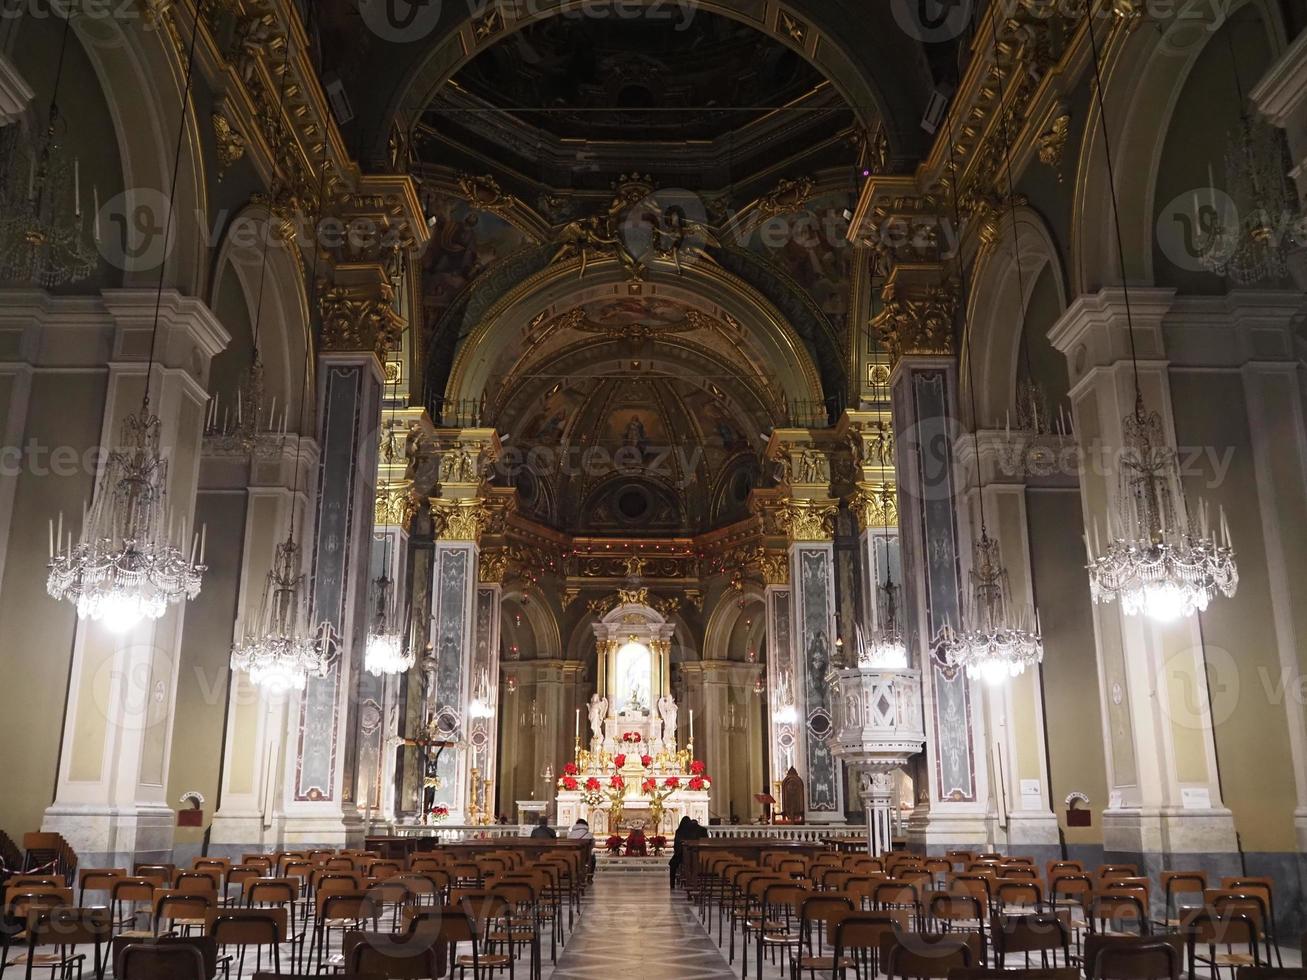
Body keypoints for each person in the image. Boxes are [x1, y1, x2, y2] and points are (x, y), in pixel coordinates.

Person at [668, 816, 706, 887]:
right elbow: (706, 842)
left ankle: (672, 884)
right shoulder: (702, 830)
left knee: (672, 863)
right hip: (700, 855)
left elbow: (677, 845)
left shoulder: (680, 831)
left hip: (683, 854)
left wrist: (678, 851)